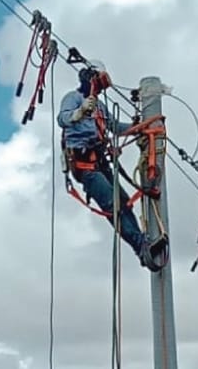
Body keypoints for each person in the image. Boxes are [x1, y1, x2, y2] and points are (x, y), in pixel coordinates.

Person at [58, 60, 157, 269]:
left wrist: (139, 126)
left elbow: (115, 127)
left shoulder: (100, 107)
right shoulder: (73, 98)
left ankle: (142, 243)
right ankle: (141, 245)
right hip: (84, 164)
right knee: (113, 206)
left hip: (100, 162)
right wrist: (80, 111)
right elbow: (63, 118)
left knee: (124, 202)